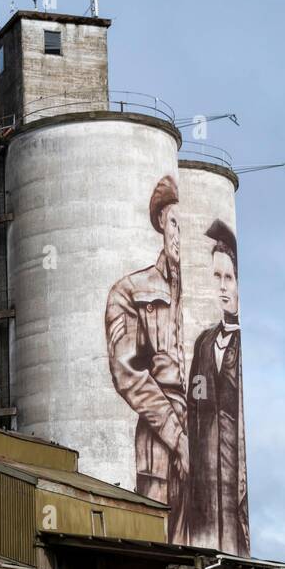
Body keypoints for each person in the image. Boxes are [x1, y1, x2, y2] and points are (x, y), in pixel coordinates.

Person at [105, 175, 189, 539]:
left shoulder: (199, 290)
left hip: (200, 435)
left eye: (186, 226)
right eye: (174, 223)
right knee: (158, 541)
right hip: (160, 436)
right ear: (160, 223)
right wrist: (177, 436)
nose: (179, 235)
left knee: (201, 553)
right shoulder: (131, 290)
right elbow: (128, 373)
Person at [185, 218, 249, 554]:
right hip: (204, 484)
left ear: (240, 283)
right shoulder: (203, 343)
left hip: (233, 482)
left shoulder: (244, 345)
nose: (223, 286)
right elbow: (192, 408)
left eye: (229, 277)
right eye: (216, 277)